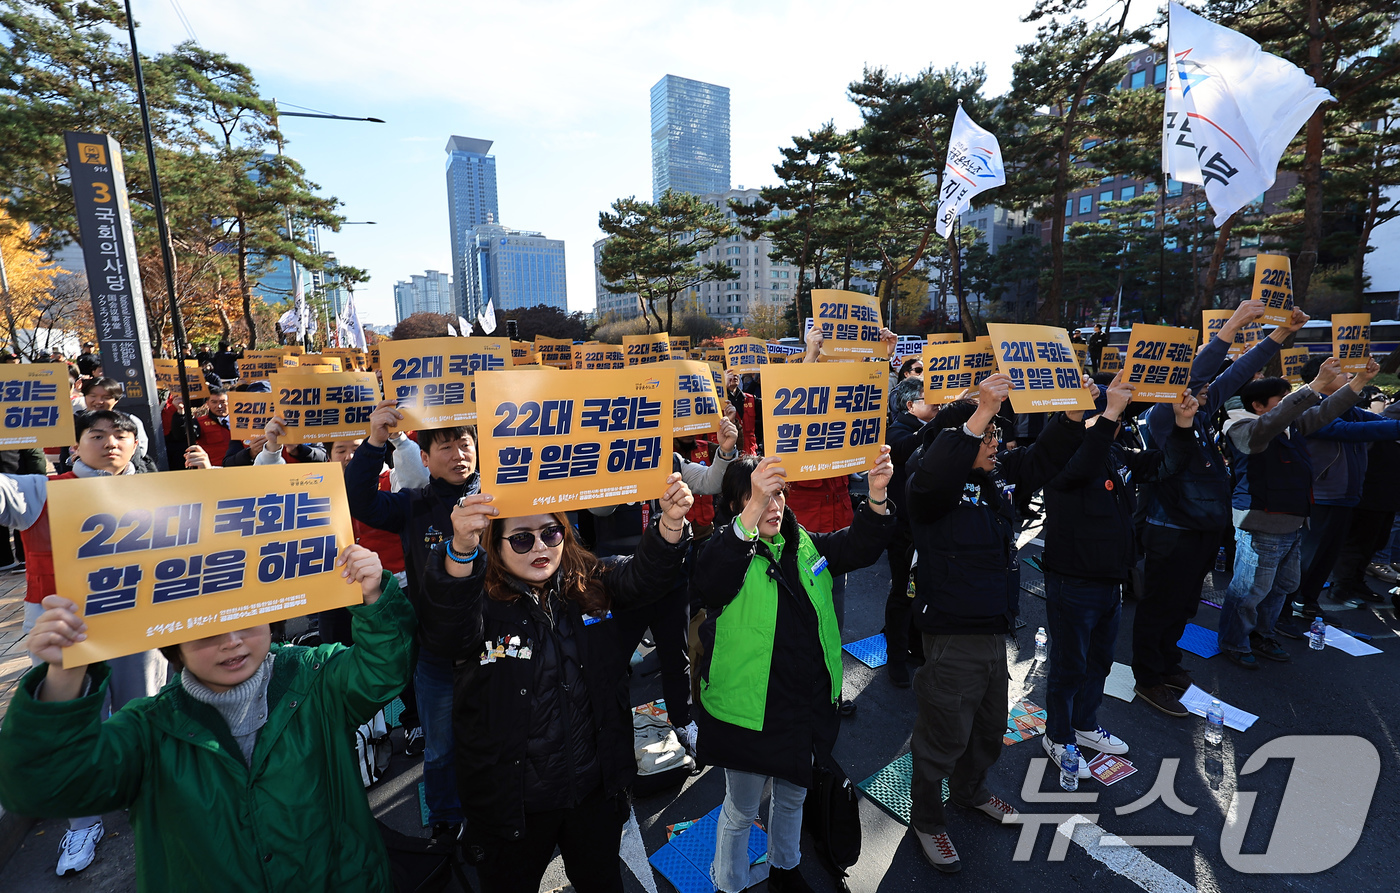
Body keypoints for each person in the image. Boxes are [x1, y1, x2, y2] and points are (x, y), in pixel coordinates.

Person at [0, 541, 412, 893]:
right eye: (207, 630)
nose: (231, 643)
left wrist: (374, 594)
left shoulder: (316, 676)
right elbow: (43, 786)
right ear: (172, 643)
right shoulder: (147, 730)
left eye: (246, 620)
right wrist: (63, 679)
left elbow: (384, 668)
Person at [418, 473, 694, 892]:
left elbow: (643, 577)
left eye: (551, 532)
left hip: (592, 792)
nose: (541, 547)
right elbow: (445, 629)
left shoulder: (590, 583)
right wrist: (460, 550)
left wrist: (670, 523)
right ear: (494, 545)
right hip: (515, 807)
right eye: (522, 539)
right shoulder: (479, 606)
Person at [1, 410, 209, 875]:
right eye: (97, 436)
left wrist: (210, 481)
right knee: (76, 719)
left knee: (145, 707)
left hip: (140, 622)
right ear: (75, 445)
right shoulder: (42, 489)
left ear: (137, 444)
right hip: (66, 632)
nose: (110, 443)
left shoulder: (162, 486)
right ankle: (82, 822)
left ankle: (150, 798)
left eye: (121, 435)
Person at [905, 371, 1093, 873]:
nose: (997, 442)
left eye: (996, 434)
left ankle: (970, 792)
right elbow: (933, 475)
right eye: (987, 434)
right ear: (958, 438)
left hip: (994, 631)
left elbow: (1041, 459)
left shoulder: (993, 480)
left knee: (988, 729)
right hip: (951, 635)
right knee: (943, 735)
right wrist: (978, 412)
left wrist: (1074, 414)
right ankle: (926, 819)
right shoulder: (929, 484)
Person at [695, 450, 895, 893]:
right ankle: (729, 884)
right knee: (741, 810)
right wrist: (748, 520)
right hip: (749, 715)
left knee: (793, 795)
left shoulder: (803, 544)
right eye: (759, 497)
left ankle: (785, 869)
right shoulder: (724, 552)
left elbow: (857, 546)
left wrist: (877, 496)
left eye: (778, 494)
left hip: (804, 709)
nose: (774, 506)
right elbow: (708, 579)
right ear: (736, 506)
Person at [1130, 299, 1294, 717]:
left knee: (1185, 605)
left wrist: (1279, 335)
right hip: (1172, 531)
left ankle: (1168, 664)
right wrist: (1234, 324)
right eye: (1194, 384)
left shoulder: (1198, 412)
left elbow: (1233, 374)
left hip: (1202, 530)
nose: (1207, 389)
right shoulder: (1162, 419)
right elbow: (1203, 371)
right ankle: (1149, 678)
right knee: (1161, 606)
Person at [1039, 372, 1200, 776]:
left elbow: (1168, 465)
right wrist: (1109, 411)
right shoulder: (1060, 457)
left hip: (1112, 579)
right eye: (1101, 417)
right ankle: (1058, 734)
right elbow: (1083, 465)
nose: (1113, 424)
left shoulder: (1115, 453)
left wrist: (1183, 424)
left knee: (1100, 661)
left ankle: (1085, 723)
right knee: (1068, 665)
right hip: (1072, 581)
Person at [345, 400, 478, 841]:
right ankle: (445, 821)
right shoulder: (413, 506)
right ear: (424, 458)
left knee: (500, 738)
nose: (459, 454)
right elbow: (358, 500)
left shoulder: (499, 496)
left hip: (496, 646)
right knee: (440, 749)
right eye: (446, 447)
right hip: (436, 653)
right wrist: (375, 441)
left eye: (465, 444)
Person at [593, 414, 740, 753]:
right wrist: (623, 471)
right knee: (611, 664)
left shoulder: (670, 459)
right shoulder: (602, 456)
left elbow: (710, 481)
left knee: (676, 657)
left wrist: (725, 450)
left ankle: (684, 721)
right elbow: (600, 510)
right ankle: (609, 737)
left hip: (670, 580)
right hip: (621, 583)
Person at [1216, 356, 1365, 667]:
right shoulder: (1244, 429)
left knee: (1282, 586)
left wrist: (1359, 382)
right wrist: (1317, 384)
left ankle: (1262, 634)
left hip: (1293, 522)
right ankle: (1235, 641)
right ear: (1258, 405)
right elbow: (1276, 420)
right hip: (1261, 522)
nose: (1289, 404)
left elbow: (1325, 410)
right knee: (1250, 590)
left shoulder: (1290, 427)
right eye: (1280, 399)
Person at [1291, 355, 1400, 622]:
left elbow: (1376, 423)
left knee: (1329, 556)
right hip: (1323, 494)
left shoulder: (1348, 408)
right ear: (1323, 376)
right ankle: (1294, 602)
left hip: (1347, 493)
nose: (1349, 376)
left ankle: (1310, 600)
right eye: (1342, 373)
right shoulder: (1309, 409)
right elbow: (1351, 431)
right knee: (1313, 554)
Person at [884, 375, 936, 687]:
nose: (938, 405)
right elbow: (903, 448)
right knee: (903, 592)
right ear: (910, 405)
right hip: (903, 528)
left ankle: (916, 645)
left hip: (925, 524)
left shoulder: (931, 426)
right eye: (930, 400)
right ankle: (895, 658)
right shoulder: (897, 428)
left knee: (922, 588)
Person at [81, 377, 150, 460]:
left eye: (106, 397)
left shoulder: (129, 420)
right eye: (93, 396)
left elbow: (141, 451)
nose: (98, 401)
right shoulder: (74, 421)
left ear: (116, 400)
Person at [166, 387, 231, 467]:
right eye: (214, 402)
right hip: (212, 471)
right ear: (207, 403)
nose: (219, 406)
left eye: (223, 402)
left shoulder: (242, 421)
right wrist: (180, 413)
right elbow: (182, 435)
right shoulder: (200, 422)